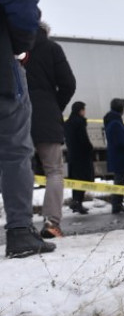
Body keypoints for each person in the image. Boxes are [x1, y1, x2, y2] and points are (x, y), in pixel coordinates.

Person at [0, 0, 56, 258]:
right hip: (2, 79)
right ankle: (20, 232)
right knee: (15, 153)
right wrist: (19, 46)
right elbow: (23, 9)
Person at [25, 21, 76, 238]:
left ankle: (21, 224)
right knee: (54, 170)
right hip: (47, 115)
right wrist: (55, 106)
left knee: (20, 170)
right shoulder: (52, 48)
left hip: (16, 116)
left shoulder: (11, 48)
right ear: (45, 31)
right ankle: (51, 223)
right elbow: (68, 84)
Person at [63, 101, 93, 214]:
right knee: (82, 179)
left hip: (72, 155)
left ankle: (75, 202)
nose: (84, 112)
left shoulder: (68, 123)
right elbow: (84, 140)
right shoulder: (79, 122)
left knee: (75, 180)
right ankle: (78, 203)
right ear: (80, 110)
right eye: (84, 109)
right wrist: (90, 148)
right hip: (82, 156)